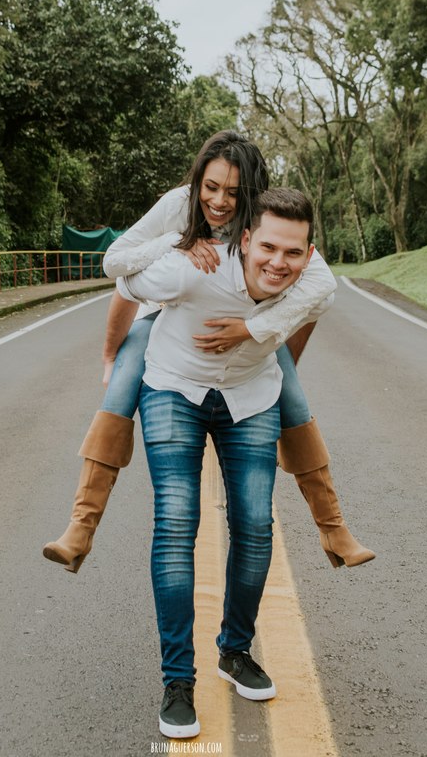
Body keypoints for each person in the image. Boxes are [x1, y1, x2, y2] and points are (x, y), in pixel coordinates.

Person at [43, 131, 374, 574]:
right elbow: (117, 268)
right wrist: (177, 240)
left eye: (234, 193)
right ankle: (80, 527)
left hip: (247, 333)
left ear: (253, 196)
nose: (219, 201)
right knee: (122, 383)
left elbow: (316, 290)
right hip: (164, 314)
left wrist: (264, 336)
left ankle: (333, 528)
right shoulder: (180, 204)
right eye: (211, 187)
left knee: (292, 394)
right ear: (198, 179)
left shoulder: (266, 223)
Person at [117, 186, 320, 738]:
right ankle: (177, 680)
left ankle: (235, 651)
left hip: (250, 397)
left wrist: (257, 333)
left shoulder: (308, 282)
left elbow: (319, 297)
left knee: (255, 526)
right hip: (173, 390)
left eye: (294, 253)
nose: (278, 263)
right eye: (269, 248)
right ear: (246, 239)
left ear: (308, 255)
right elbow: (121, 276)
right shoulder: (196, 269)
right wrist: (173, 248)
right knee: (178, 524)